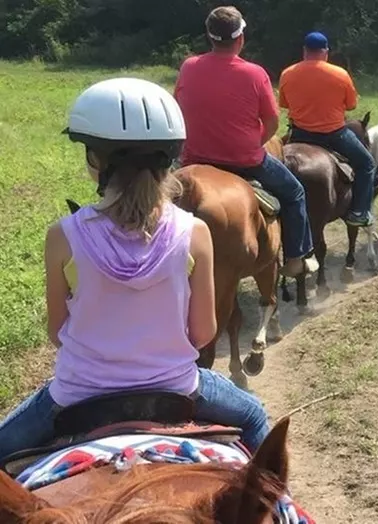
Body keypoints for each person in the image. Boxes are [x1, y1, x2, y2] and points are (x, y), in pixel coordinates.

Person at [0, 77, 270, 460]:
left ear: (95, 160)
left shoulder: (63, 236)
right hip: (177, 388)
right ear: (169, 158)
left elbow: (58, 332)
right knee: (255, 417)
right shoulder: (194, 233)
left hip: (76, 394)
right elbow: (204, 332)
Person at [174, 6, 317, 279]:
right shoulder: (255, 73)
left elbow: (177, 105)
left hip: (193, 158)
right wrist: (255, 144)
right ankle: (297, 257)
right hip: (245, 160)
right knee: (295, 192)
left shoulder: (189, 67)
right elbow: (273, 122)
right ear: (241, 38)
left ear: (210, 36)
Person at [278, 32, 376, 227]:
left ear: (305, 51)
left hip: (298, 134)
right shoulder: (340, 74)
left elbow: (284, 103)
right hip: (334, 134)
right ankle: (359, 212)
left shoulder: (287, 73)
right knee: (367, 164)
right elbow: (351, 105)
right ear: (326, 52)